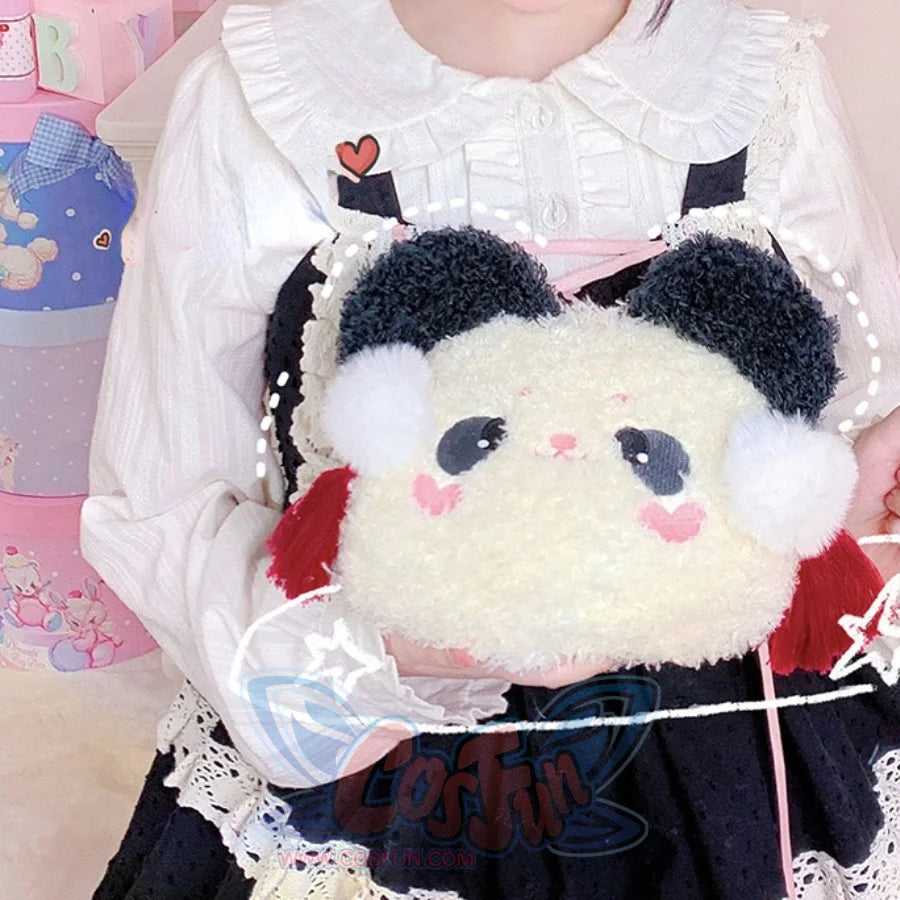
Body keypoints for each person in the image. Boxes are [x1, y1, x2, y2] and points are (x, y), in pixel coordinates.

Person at [81, 0, 900, 896]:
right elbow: (164, 502)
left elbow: (849, 407)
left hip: (737, 762)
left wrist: (852, 502)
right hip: (396, 785)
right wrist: (409, 643)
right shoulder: (259, 97)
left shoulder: (763, 79)